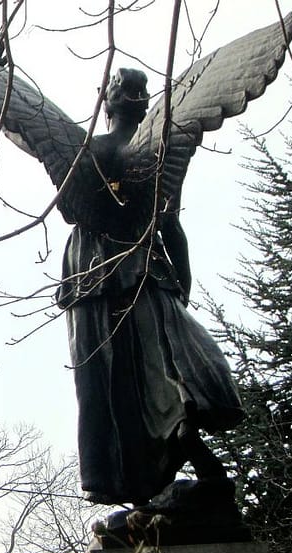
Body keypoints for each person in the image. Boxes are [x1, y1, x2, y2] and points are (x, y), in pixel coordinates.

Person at [56, 68, 244, 507]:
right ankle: (163, 487)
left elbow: (64, 202)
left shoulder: (88, 152)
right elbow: (171, 225)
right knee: (164, 374)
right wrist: (182, 284)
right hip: (146, 269)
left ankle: (145, 485)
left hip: (95, 272)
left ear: (107, 105)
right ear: (143, 108)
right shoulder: (158, 153)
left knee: (114, 381)